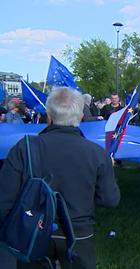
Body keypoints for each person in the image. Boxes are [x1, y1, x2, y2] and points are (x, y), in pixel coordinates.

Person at [0, 88, 120, 269]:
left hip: (32, 230)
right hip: (78, 233)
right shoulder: (96, 153)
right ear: (80, 116)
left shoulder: (24, 148)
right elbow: (110, 200)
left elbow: (4, 199)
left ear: (48, 116)